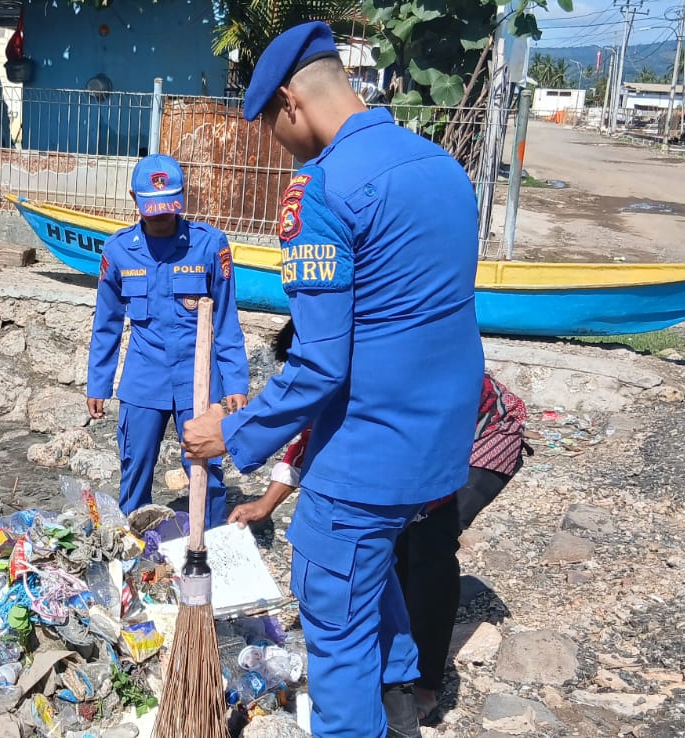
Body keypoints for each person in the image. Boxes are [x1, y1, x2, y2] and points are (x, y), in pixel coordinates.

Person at [180, 21, 484, 738]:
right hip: (439, 445)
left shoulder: (323, 189)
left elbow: (320, 361)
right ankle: (400, 702)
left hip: (367, 453)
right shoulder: (439, 166)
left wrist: (232, 432)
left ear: (292, 101)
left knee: (334, 608)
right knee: (372, 574)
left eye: (269, 126)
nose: (275, 143)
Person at [228, 321, 529, 725]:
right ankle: (388, 661)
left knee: (428, 545)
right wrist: (265, 503)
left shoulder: (384, 370)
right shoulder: (337, 376)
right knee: (387, 543)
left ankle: (424, 685)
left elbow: (429, 458)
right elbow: (310, 438)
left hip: (482, 437)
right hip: (416, 442)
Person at [86, 154, 250, 526]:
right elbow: (107, 323)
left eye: (168, 208)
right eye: (152, 209)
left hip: (200, 376)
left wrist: (236, 381)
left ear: (182, 198)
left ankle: (206, 547)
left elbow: (225, 320)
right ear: (134, 198)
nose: (161, 218)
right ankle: (131, 549)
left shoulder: (209, 246)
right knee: (135, 465)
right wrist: (99, 382)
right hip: (144, 377)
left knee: (204, 468)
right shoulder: (118, 251)